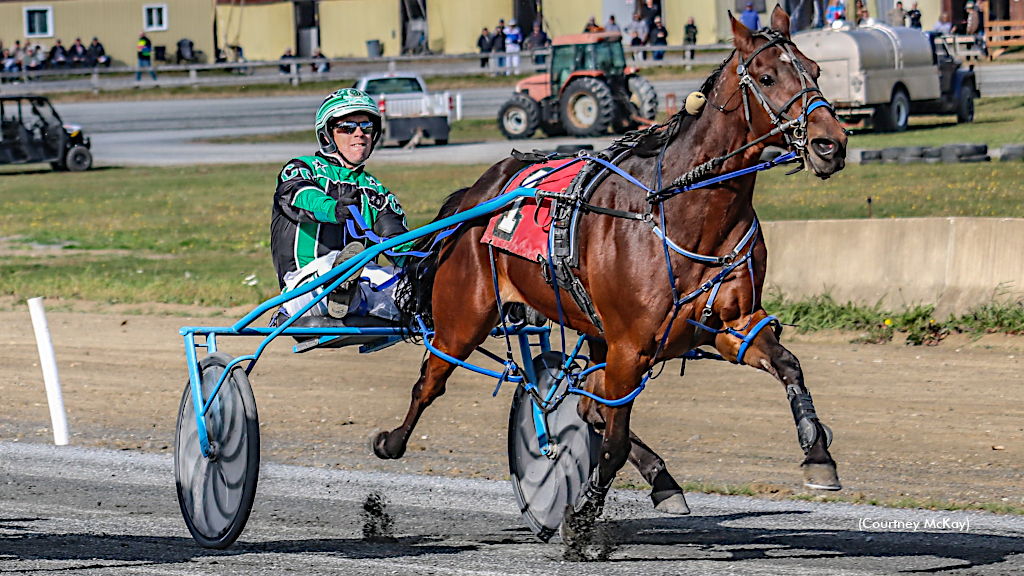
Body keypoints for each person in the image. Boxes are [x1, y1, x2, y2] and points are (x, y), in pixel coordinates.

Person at [271, 89, 410, 323]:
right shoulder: (302, 168)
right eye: (347, 127)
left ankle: (353, 294)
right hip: (305, 289)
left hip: (365, 285)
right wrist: (333, 209)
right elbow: (299, 195)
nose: (359, 134)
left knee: (412, 281)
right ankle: (343, 287)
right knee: (333, 264)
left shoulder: (376, 191)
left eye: (366, 127)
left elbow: (398, 241)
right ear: (327, 136)